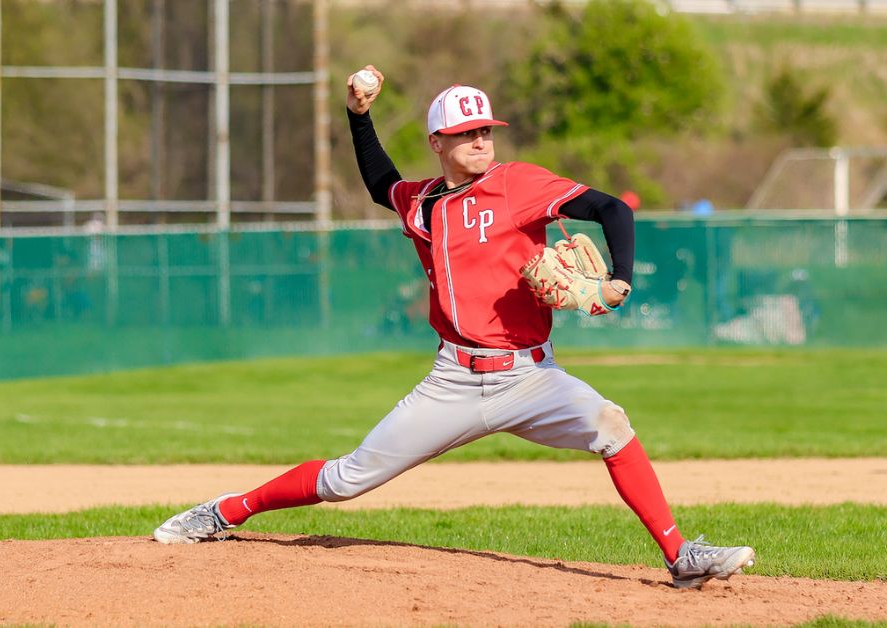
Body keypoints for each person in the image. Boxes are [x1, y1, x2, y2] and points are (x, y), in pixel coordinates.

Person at [153, 66, 755, 590]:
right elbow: (378, 184)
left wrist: (622, 275)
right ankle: (225, 511)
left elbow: (612, 208)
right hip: (455, 381)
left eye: (486, 130)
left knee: (612, 424)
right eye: (467, 134)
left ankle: (681, 557)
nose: (480, 141)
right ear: (439, 142)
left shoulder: (519, 183)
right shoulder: (425, 206)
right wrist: (357, 117)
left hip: (531, 376)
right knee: (346, 479)